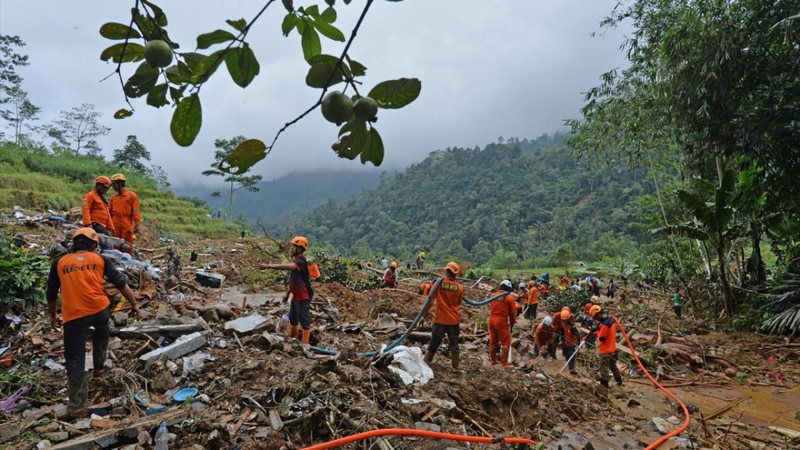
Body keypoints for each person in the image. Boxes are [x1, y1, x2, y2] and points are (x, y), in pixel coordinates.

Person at [45, 227, 140, 417]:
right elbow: (121, 284)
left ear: (74, 244)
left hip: (74, 315)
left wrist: (53, 316)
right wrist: (135, 304)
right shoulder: (101, 259)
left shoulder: (59, 262)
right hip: (99, 310)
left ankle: (78, 405)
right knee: (102, 332)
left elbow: (51, 292)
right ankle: (99, 369)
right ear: (94, 245)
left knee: (75, 356)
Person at [263, 236, 314, 344]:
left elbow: (289, 267)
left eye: (294, 247)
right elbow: (294, 280)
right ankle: (292, 338)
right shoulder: (296, 260)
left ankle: (305, 344)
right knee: (293, 317)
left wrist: (268, 266)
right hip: (296, 295)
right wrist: (287, 294)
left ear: (300, 249)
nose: (291, 249)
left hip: (304, 295)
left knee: (304, 320)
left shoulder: (301, 262)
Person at [422, 262, 464, 369]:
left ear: (446, 271)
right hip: (454, 321)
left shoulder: (439, 284)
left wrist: (423, 315)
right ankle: (455, 368)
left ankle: (424, 365)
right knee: (454, 344)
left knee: (433, 344)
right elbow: (458, 303)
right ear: (456, 274)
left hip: (440, 320)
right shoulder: (459, 287)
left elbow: (430, 300)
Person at [587, 305, 622, 387]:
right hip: (612, 349)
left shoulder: (605, 325)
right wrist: (599, 329)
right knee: (613, 366)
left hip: (605, 351)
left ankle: (604, 384)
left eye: (596, 317)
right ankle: (619, 380)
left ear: (598, 314)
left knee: (604, 368)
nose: (596, 319)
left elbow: (602, 337)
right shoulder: (610, 320)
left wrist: (596, 333)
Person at [108, 173, 141, 256]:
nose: (113, 186)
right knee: (115, 243)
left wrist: (137, 225)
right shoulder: (113, 197)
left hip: (127, 223)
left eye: (114, 184)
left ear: (120, 183)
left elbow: (136, 211)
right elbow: (108, 212)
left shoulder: (131, 196)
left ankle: (129, 261)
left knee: (127, 243)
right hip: (115, 223)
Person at [487, 280, 517, 367]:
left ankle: (493, 360)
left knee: (493, 341)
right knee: (506, 342)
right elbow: (512, 313)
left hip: (491, 320)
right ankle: (504, 362)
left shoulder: (493, 295)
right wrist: (512, 323)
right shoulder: (509, 298)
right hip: (501, 321)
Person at [552, 306, 581, 375]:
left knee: (571, 354)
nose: (564, 321)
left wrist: (578, 343)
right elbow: (555, 325)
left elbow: (577, 333)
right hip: (563, 336)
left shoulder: (571, 324)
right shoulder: (558, 317)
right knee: (565, 352)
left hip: (572, 341)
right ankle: (554, 355)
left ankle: (571, 369)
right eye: (563, 320)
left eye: (565, 320)